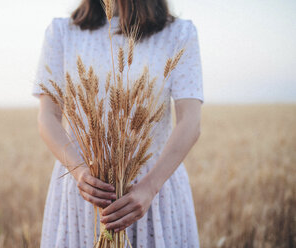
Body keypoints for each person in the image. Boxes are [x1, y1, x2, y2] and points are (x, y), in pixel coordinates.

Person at [31, 0, 204, 247]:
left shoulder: (179, 33)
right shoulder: (62, 32)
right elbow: (47, 116)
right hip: (84, 190)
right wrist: (79, 171)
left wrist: (149, 188)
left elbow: (190, 121)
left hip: (151, 188)